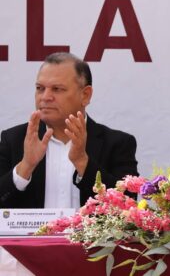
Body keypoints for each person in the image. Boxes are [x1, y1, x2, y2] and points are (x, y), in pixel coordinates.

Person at [0, 52, 139, 208]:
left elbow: (128, 204)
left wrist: (82, 162)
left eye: (57, 89)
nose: (45, 97)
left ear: (85, 95)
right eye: (40, 88)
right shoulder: (14, 140)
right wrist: (26, 166)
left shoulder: (117, 144)